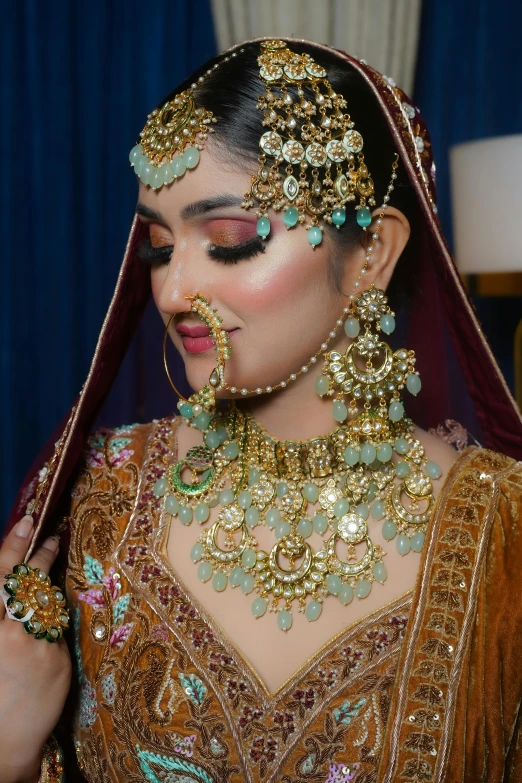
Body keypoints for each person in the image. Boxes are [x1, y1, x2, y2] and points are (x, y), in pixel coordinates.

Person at [1, 37, 521, 783]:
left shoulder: (503, 534)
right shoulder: (101, 502)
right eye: (157, 245)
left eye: (231, 239)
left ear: (372, 251)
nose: (174, 289)